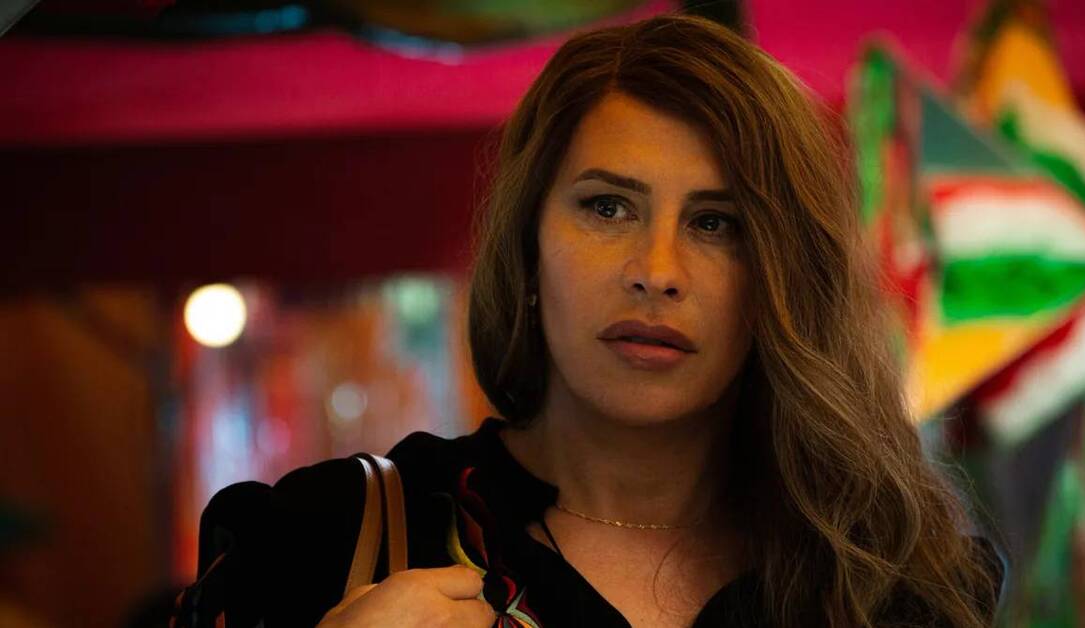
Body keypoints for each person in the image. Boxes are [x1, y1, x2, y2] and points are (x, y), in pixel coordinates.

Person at [172, 12, 1003, 628]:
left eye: (717, 223)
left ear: (784, 278)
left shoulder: (897, 583)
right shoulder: (320, 541)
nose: (656, 271)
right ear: (528, 246)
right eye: (608, 207)